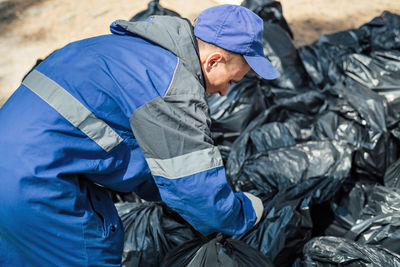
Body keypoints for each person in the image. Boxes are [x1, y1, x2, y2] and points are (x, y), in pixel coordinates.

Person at [0, 4, 278, 266]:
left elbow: (140, 154)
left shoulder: (129, 50)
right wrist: (242, 212)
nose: (225, 93)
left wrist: (170, 195)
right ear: (213, 61)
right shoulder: (172, 86)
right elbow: (194, 188)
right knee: (93, 249)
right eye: (231, 81)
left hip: (14, 169)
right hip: (37, 186)